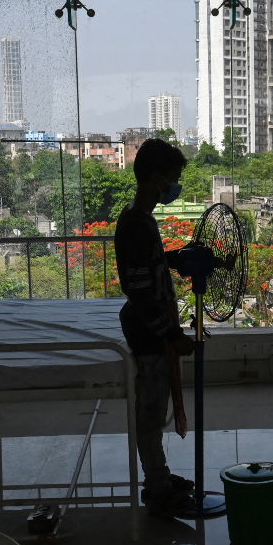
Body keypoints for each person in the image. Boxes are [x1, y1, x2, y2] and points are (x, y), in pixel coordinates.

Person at [114, 138, 197, 518]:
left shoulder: (140, 218)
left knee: (155, 408)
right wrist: (171, 334)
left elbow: (145, 269)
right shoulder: (136, 222)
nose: (175, 187)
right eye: (174, 178)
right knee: (149, 414)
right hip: (148, 333)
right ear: (156, 177)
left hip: (151, 328)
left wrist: (171, 259)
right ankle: (158, 487)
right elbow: (139, 291)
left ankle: (159, 474)